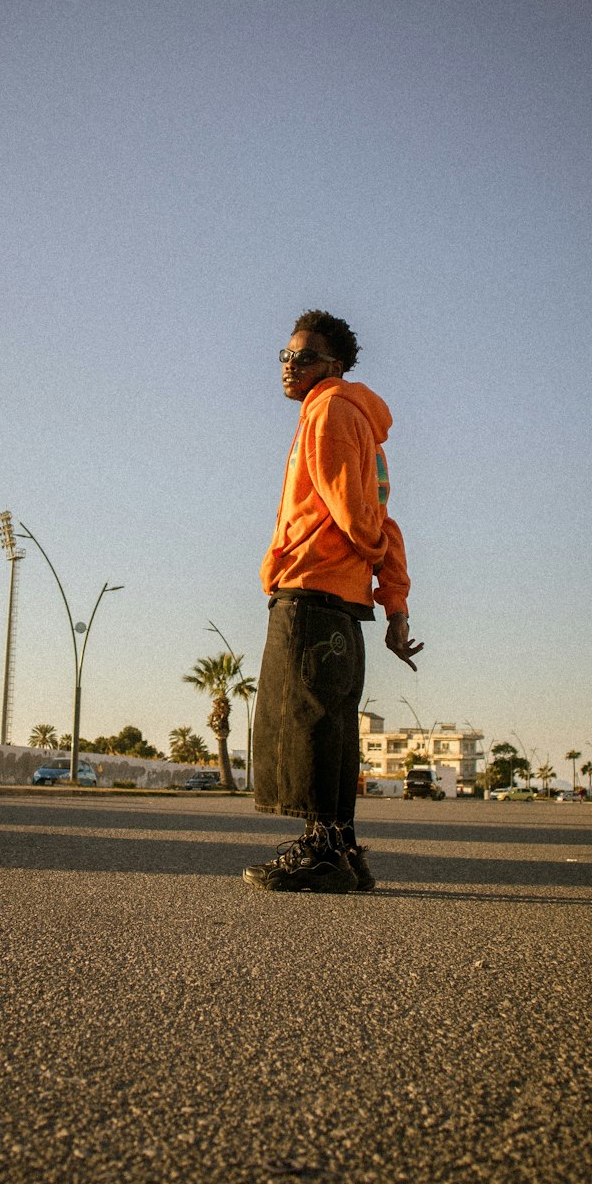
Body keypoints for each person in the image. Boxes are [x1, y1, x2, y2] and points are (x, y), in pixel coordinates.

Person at [245, 309, 423, 893]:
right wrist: (393, 602)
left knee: (308, 720)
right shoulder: (361, 426)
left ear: (334, 365)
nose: (289, 366)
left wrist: (368, 557)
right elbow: (381, 519)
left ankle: (320, 850)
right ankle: (344, 849)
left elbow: (358, 514)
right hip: (342, 599)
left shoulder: (328, 410)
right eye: (285, 355)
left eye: (303, 357)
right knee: (335, 723)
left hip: (313, 589)